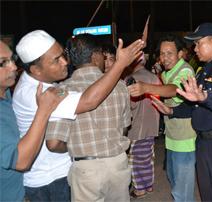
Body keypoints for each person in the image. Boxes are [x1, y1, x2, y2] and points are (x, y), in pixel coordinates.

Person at [12, 30, 143, 202]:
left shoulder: (60, 87)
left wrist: (82, 146)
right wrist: (120, 65)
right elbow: (90, 101)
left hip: (81, 169)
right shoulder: (38, 94)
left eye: (63, 56)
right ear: (36, 69)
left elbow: (53, 142)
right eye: (56, 60)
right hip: (51, 178)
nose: (64, 62)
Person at [151, 23, 212, 201]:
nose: (194, 48)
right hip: (202, 143)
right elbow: (192, 105)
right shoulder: (203, 72)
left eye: (198, 43)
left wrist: (204, 97)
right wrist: (171, 110)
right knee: (207, 194)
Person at [45, 34, 132, 201]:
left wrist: (75, 145)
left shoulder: (63, 91)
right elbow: (124, 128)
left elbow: (53, 143)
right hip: (118, 164)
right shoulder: (119, 86)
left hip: (86, 170)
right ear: (95, 55)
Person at [128, 34, 197, 202]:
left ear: (180, 54)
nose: (165, 57)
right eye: (162, 53)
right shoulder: (168, 71)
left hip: (185, 139)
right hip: (173, 136)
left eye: (170, 53)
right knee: (174, 181)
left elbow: (175, 89)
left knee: (183, 189)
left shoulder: (185, 70)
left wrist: (146, 87)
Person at [0, 40, 66, 201]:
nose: (14, 67)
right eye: (3, 63)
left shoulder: (6, 93)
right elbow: (21, 161)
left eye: (12, 59)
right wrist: (43, 110)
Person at [124, 55, 160, 199]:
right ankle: (148, 185)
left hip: (136, 127)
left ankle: (140, 189)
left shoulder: (131, 79)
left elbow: (131, 104)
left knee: (136, 160)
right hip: (152, 125)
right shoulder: (155, 78)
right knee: (147, 158)